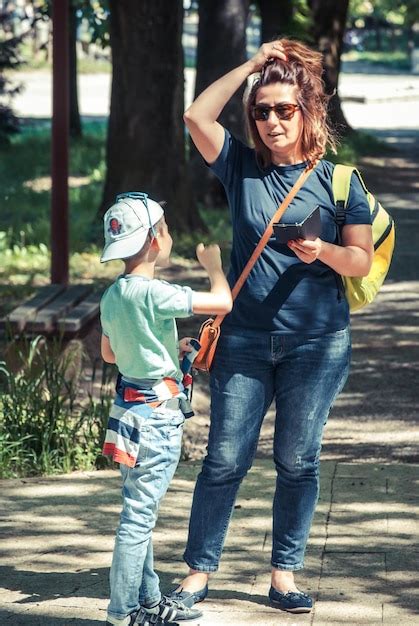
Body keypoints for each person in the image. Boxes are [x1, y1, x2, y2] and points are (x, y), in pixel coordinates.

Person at [170, 39, 374, 614]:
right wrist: (254, 67)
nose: (273, 121)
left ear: (308, 113)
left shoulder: (340, 181)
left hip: (317, 342)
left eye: (285, 109)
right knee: (225, 460)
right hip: (245, 340)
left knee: (298, 460)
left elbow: (358, 261)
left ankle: (284, 576)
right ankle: (196, 574)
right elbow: (195, 115)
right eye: (263, 111)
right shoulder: (240, 166)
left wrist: (324, 252)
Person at [100, 191, 232, 626]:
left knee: (139, 508)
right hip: (157, 418)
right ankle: (123, 613)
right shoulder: (156, 292)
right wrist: (214, 269)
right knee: (138, 518)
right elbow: (222, 303)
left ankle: (149, 601)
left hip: (126, 413)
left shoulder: (113, 295)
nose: (169, 234)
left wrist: (166, 348)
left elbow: (111, 354)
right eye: (166, 228)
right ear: (155, 240)